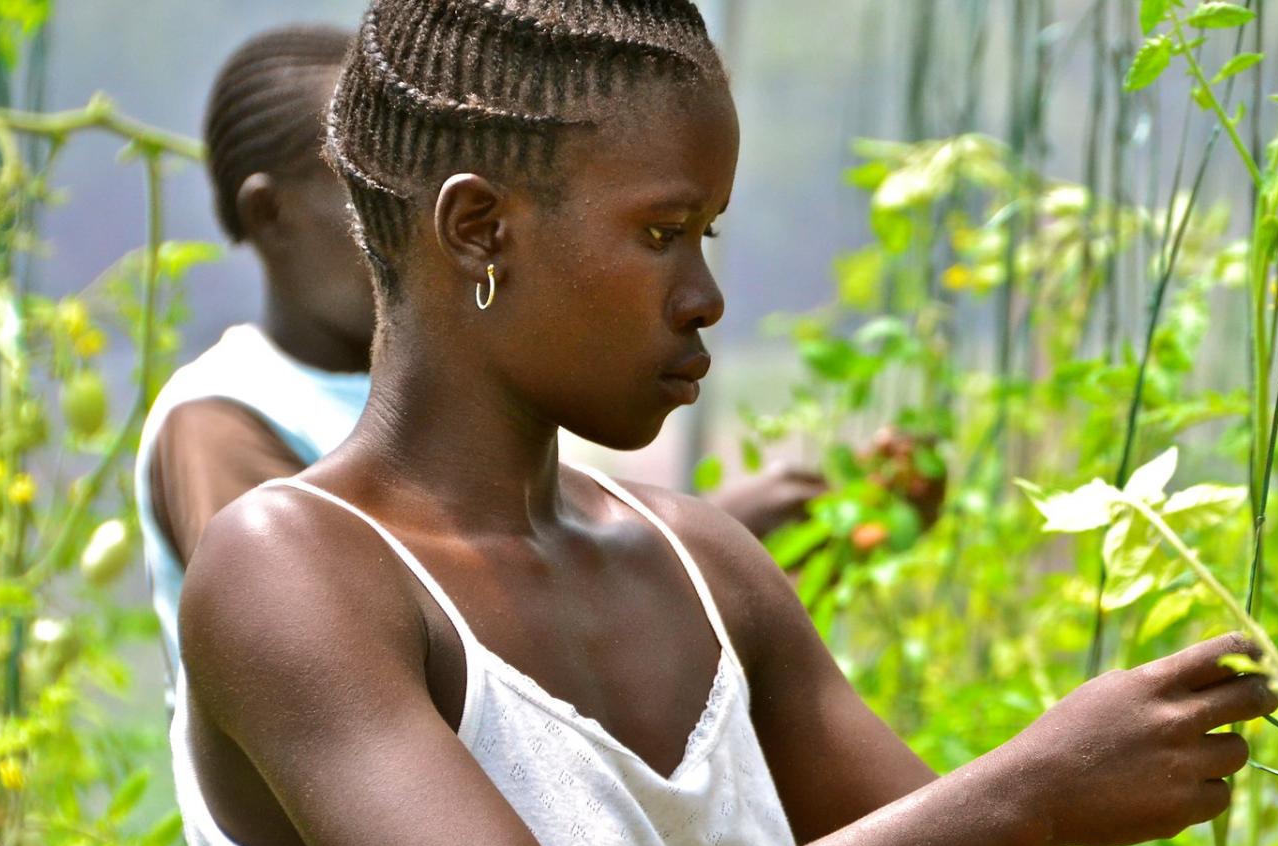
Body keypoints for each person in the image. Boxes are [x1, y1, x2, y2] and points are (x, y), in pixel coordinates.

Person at [173, 2, 1278, 846]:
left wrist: (1016, 818)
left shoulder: (705, 568)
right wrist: (1021, 793)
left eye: (706, 232)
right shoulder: (293, 572)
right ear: (478, 230)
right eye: (661, 231)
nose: (704, 294)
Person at [135, 24, 823, 675]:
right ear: (269, 213)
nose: (403, 200)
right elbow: (336, 638)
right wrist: (705, 544)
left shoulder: (465, 399)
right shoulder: (223, 415)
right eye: (361, 185)